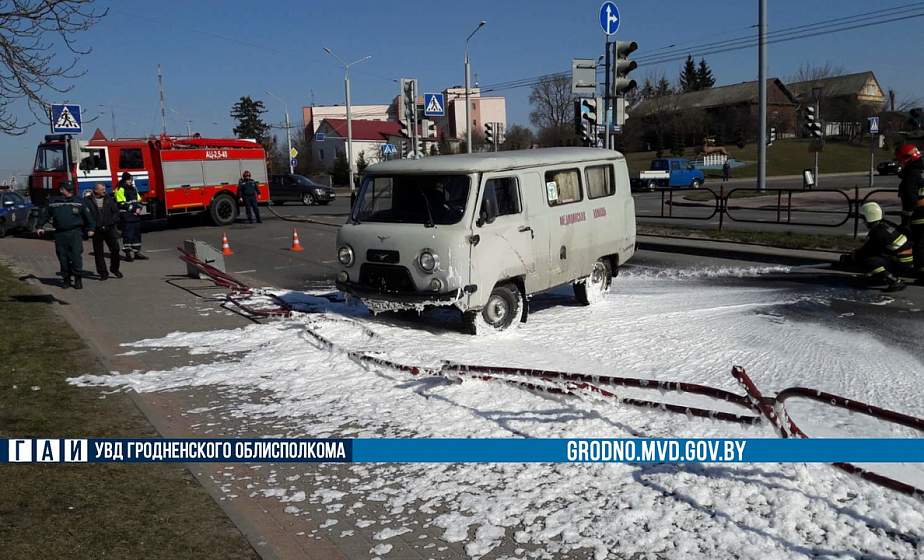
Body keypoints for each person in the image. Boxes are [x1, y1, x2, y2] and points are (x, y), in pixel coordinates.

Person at [840, 202, 912, 292]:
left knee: (867, 260)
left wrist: (851, 257)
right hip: (906, 259)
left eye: (864, 218)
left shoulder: (877, 232)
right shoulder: (886, 224)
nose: (864, 221)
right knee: (873, 257)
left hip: (901, 262)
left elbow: (866, 251)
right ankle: (880, 276)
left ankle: (894, 281)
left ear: (870, 216)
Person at [35, 182, 95, 289]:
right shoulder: (53, 202)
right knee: (62, 257)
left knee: (76, 256)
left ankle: (78, 278)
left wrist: (91, 228)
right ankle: (66, 278)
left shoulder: (79, 201)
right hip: (60, 233)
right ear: (61, 190)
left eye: (71, 189)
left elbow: (88, 216)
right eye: (68, 189)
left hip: (75, 232)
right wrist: (40, 226)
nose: (70, 191)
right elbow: (45, 214)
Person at [895, 143, 924, 285]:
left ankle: (922, 272)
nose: (900, 163)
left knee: (920, 244)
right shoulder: (920, 170)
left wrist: (905, 219)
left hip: (919, 215)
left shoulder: (912, 174)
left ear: (908, 158)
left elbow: (909, 197)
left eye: (901, 160)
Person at [84, 183, 122, 280]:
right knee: (98, 252)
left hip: (109, 228)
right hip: (96, 230)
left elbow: (116, 213)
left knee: (115, 249)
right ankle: (103, 273)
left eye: (104, 189)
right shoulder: (88, 201)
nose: (104, 191)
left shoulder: (109, 199)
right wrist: (90, 228)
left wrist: (111, 222)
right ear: (96, 191)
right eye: (102, 190)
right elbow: (86, 216)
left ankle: (114, 269)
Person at [114, 172, 145, 261]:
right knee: (128, 235)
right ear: (124, 180)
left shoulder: (133, 188)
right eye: (129, 180)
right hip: (126, 216)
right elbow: (121, 203)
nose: (130, 181)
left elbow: (139, 200)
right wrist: (134, 210)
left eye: (131, 179)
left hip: (135, 216)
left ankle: (137, 252)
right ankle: (128, 254)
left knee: (136, 235)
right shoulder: (120, 189)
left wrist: (139, 208)